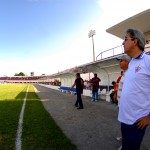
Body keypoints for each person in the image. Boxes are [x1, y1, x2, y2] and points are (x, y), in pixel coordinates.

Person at [118, 28, 150, 150]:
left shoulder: (147, 60)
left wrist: (149, 117)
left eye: (125, 39)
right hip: (124, 118)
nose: (122, 43)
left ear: (135, 41)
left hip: (137, 121)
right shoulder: (131, 63)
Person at [115, 55, 131, 149]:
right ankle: (123, 138)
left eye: (121, 60)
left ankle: (125, 144)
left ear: (128, 62)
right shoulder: (124, 73)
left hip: (126, 106)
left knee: (127, 127)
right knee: (123, 125)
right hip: (121, 104)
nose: (119, 62)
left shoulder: (130, 74)